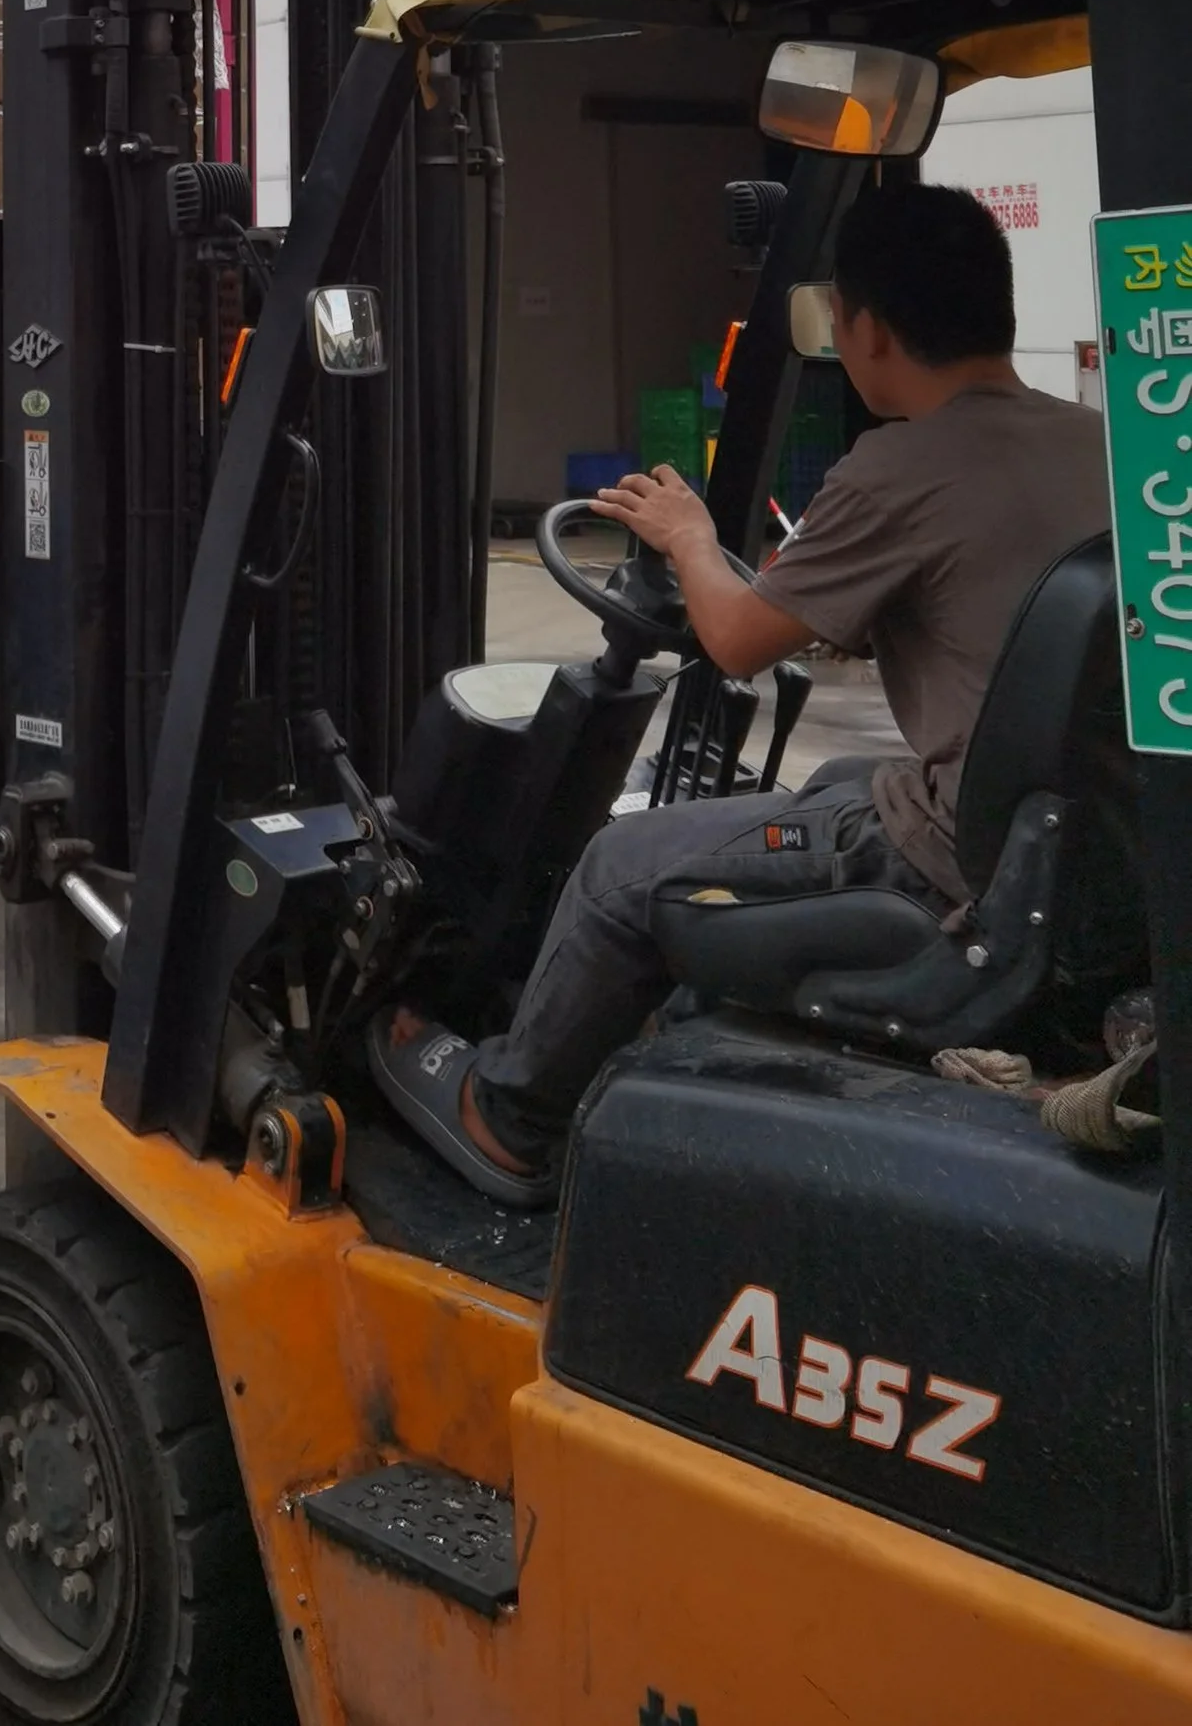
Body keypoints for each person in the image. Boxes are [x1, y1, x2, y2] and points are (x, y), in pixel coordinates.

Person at [369, 177, 1110, 1206]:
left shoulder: (898, 466)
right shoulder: (1093, 442)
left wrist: (686, 539)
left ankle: (508, 1117)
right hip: (1072, 848)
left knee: (619, 869)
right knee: (843, 778)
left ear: (870, 332)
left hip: (960, 871)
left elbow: (734, 639)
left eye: (839, 322)